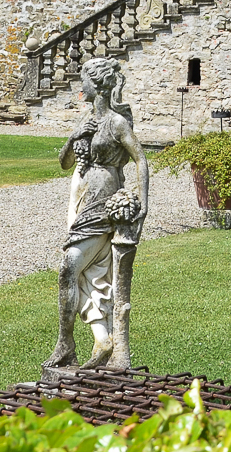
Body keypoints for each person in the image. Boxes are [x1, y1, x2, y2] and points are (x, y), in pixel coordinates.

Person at [46, 57, 148, 370]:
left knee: (68, 267)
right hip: (81, 200)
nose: (81, 86)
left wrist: (142, 203)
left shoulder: (117, 123)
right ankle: (100, 338)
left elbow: (141, 160)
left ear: (99, 83)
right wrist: (76, 135)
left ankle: (66, 342)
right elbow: (64, 162)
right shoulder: (86, 118)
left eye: (84, 80)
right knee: (87, 273)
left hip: (105, 200)